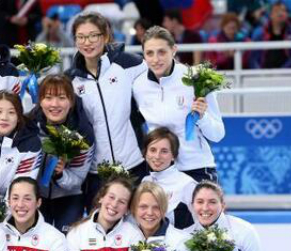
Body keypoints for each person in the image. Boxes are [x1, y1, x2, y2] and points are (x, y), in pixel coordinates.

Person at [66, 12, 148, 211]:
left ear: (105, 36)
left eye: (93, 35)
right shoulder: (71, 80)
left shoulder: (130, 64)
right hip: (96, 172)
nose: (87, 42)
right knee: (100, 224)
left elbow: (159, 82)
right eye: (81, 37)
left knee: (140, 221)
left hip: (133, 164)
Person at [133, 26, 226, 183]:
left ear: (174, 50)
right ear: (143, 55)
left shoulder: (197, 79)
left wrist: (202, 117)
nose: (155, 59)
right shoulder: (138, 86)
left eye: (162, 52)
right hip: (160, 171)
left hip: (196, 168)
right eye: (149, 53)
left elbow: (218, 135)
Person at [30, 74, 95, 233]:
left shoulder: (82, 134)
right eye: (48, 98)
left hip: (69, 197)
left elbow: (77, 178)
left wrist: (60, 174)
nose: (55, 104)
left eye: (61, 98)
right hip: (36, 196)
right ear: (40, 101)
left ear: (71, 101)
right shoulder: (29, 126)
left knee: (68, 239)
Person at [140, 127, 196, 229]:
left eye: (164, 151)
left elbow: (202, 223)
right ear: (145, 153)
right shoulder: (145, 181)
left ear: (173, 155)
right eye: (153, 150)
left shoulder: (187, 184)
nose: (157, 156)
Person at [249, 2, 291, 69]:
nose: (280, 13)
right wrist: (259, 73)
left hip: (288, 73)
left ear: (287, 15)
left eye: (283, 11)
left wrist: (280, 72)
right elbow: (253, 59)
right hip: (264, 73)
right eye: (276, 11)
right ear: (271, 15)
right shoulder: (260, 35)